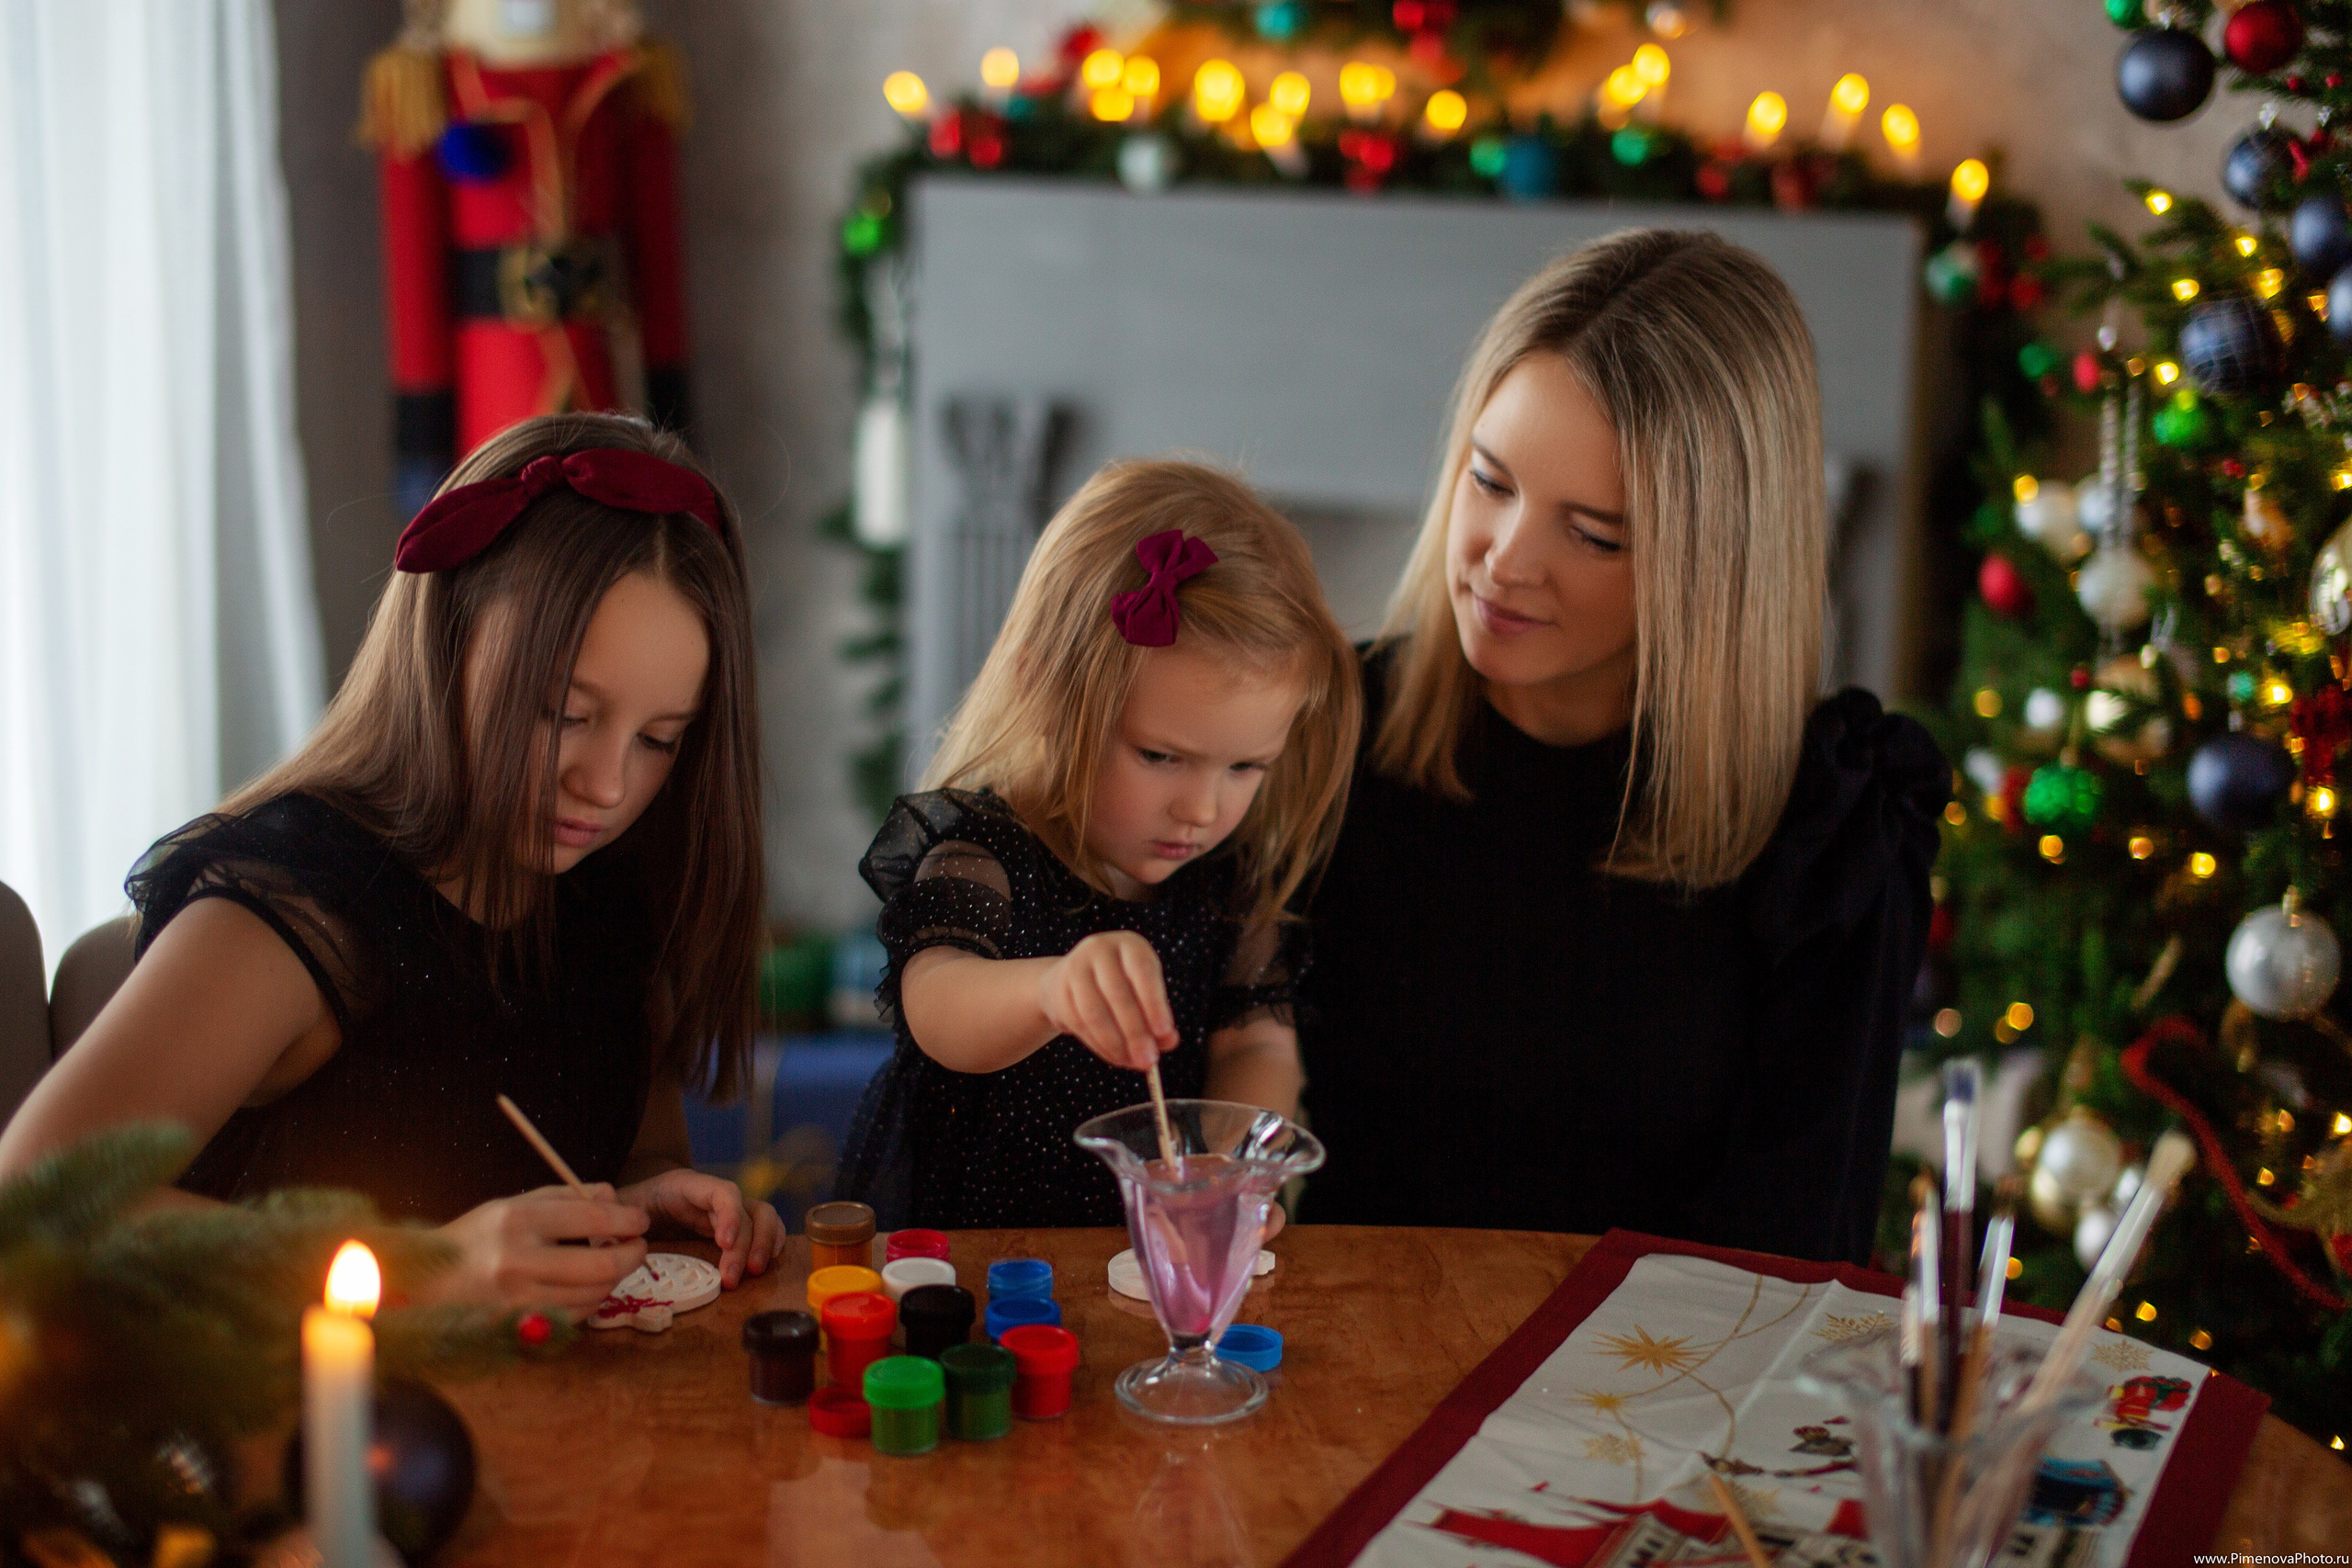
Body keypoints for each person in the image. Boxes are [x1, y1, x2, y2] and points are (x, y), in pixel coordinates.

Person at [0, 412, 785, 1308]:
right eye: (564, 715)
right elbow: (35, 1207)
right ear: (446, 649)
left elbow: (630, 1148)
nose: (606, 785)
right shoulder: (299, 909)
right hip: (292, 1428)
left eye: (658, 739)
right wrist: (419, 1270)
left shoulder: (608, 892)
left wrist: (642, 1198)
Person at [1296, 229, 1948, 1264]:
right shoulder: (1307, 732)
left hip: (1638, 1412)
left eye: (1594, 533)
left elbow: (1794, 1263)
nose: (1503, 563)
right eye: (1489, 481)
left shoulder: (1830, 829)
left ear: (1713, 561)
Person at [836, 460, 1361, 1228]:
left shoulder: (1226, 883)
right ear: (1049, 691)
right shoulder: (984, 853)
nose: (1202, 808)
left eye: (1246, 766)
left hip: (1135, 1246)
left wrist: (1234, 1166)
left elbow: (1260, 1046)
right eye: (1160, 756)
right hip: (975, 1245)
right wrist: (1049, 991)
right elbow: (937, 1006)